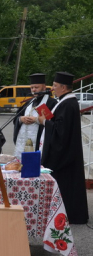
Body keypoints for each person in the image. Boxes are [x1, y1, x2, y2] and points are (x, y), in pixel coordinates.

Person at [39, 72, 89, 225]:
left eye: (54, 86)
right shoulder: (66, 102)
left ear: (63, 87)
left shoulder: (68, 104)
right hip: (65, 151)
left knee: (65, 184)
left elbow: (61, 131)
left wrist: (44, 122)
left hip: (64, 154)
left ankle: (67, 214)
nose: (52, 89)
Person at [13, 73, 57, 159]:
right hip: (23, 142)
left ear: (44, 87)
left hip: (38, 142)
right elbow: (16, 118)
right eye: (32, 87)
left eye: (37, 87)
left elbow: (53, 124)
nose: (34, 90)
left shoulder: (51, 103)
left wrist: (37, 120)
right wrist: (21, 119)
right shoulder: (28, 102)